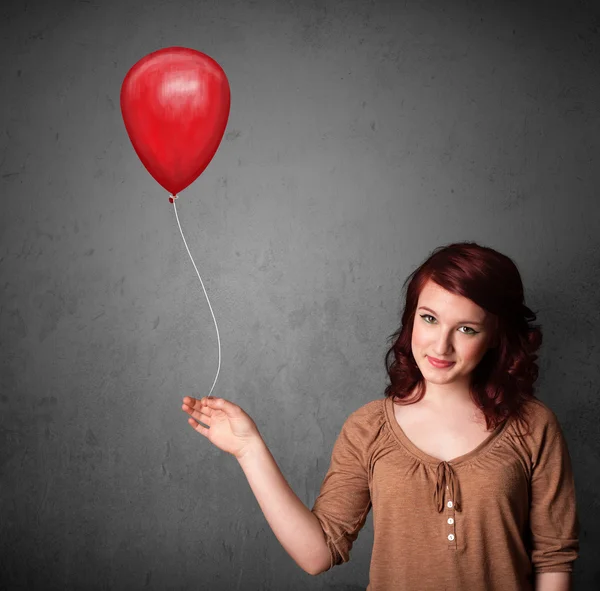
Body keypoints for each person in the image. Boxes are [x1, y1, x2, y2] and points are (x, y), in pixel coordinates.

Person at [181, 241, 579, 590]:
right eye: (429, 318)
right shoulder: (368, 427)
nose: (441, 344)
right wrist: (250, 450)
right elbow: (318, 554)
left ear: (495, 335)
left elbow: (554, 560)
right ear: (411, 319)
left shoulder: (533, 426)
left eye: (467, 329)